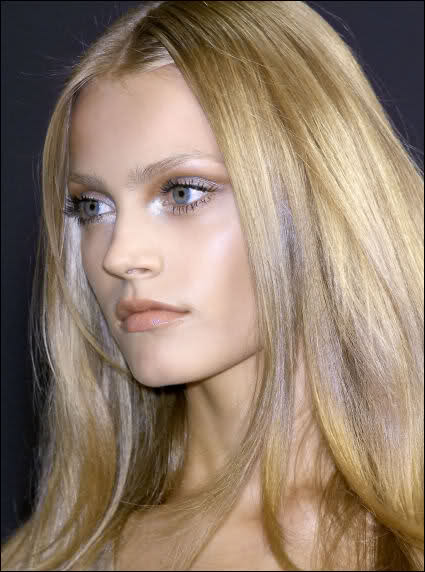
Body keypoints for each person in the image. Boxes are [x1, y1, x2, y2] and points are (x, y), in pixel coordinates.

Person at [2, 1, 423, 570]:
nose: (120, 256)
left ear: (317, 193)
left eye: (182, 192)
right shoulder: (47, 557)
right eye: (93, 206)